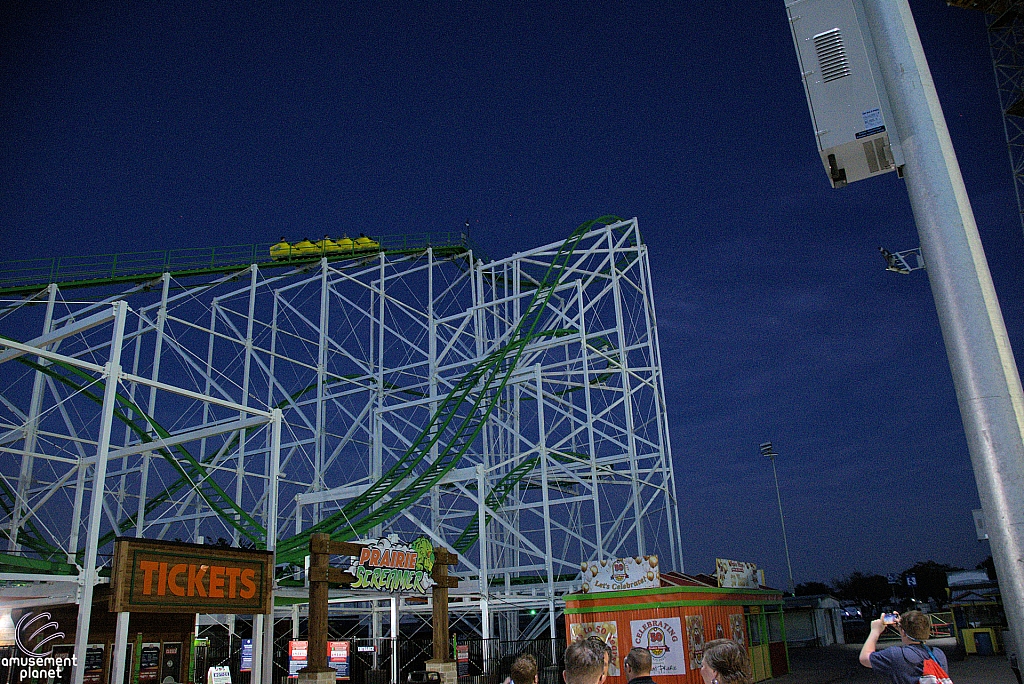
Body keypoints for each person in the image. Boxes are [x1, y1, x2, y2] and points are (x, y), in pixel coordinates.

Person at [859, 610, 948, 683]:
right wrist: (903, 630)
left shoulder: (896, 655)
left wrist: (875, 631)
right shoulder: (938, 654)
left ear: (903, 632)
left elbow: (864, 659)